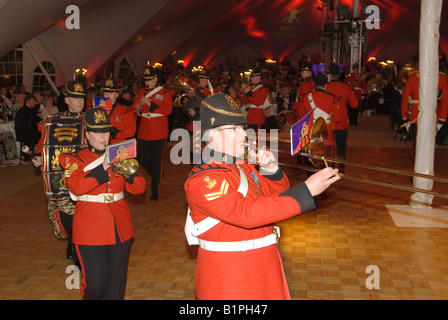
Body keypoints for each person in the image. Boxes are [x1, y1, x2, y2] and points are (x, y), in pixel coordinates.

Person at [184, 93, 340, 300]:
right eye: (234, 129)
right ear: (212, 136)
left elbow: (275, 198)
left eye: (242, 127)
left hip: (265, 265)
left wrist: (271, 169)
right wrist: (306, 191)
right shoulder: (203, 179)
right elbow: (246, 214)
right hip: (231, 276)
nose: (243, 135)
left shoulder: (243, 165)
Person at [59, 107, 145, 300]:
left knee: (116, 281)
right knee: (96, 284)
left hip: (119, 225)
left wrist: (128, 171)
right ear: (87, 135)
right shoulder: (74, 158)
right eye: (97, 132)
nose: (102, 137)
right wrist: (103, 167)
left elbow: (139, 189)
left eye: (105, 131)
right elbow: (77, 186)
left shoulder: (120, 153)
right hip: (90, 227)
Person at [32, 80, 87, 264]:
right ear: (67, 99)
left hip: (85, 178)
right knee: (67, 219)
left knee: (83, 219)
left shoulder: (91, 120)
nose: (79, 101)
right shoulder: (52, 121)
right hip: (60, 178)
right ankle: (72, 244)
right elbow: (44, 144)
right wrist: (40, 156)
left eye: (82, 98)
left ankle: (77, 251)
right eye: (75, 98)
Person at [132, 66, 173, 201]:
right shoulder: (141, 92)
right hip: (143, 131)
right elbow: (134, 109)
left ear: (155, 79)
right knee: (142, 158)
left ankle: (155, 190)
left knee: (156, 162)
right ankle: (158, 174)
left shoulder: (165, 92)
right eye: (145, 80)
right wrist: (137, 109)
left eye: (149, 80)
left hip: (159, 132)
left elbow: (168, 111)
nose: (147, 83)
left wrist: (151, 104)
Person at [293, 72, 342, 158]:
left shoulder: (305, 97)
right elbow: (338, 118)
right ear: (326, 85)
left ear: (314, 84)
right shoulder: (332, 98)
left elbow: (301, 115)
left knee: (311, 160)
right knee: (326, 159)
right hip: (326, 133)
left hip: (311, 132)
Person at [325, 63, 359, 173]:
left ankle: (330, 165)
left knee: (329, 144)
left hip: (329, 120)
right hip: (342, 121)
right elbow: (354, 104)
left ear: (329, 75)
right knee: (341, 145)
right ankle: (341, 166)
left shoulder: (326, 87)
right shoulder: (346, 87)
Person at [102, 78, 136, 144]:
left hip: (117, 146)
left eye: (111, 93)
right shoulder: (98, 109)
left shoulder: (124, 111)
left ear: (116, 95)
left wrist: (117, 132)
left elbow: (132, 130)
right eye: (106, 92)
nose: (108, 95)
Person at [14, 95, 40, 161]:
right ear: (27, 102)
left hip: (25, 131)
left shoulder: (26, 109)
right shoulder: (26, 110)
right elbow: (33, 119)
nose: (34, 102)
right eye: (33, 101)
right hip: (25, 133)